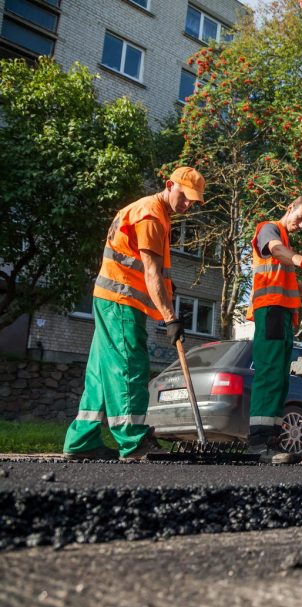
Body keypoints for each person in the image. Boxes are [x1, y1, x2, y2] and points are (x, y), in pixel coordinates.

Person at [63, 167, 205, 460]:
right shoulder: (152, 215)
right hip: (122, 300)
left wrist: (168, 287)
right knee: (129, 364)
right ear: (169, 185)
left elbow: (146, 268)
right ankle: (133, 440)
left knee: (102, 372)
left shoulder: (148, 210)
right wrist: (170, 318)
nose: (188, 205)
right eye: (185, 197)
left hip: (109, 299)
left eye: (194, 201)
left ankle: (82, 441)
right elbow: (151, 273)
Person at [246, 196, 302, 464]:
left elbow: (293, 288)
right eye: (301, 216)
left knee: (280, 378)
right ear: (290, 208)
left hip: (282, 315)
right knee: (270, 373)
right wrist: (298, 259)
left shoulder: (286, 245)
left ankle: (271, 440)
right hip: (271, 311)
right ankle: (260, 441)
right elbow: (274, 249)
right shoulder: (269, 229)